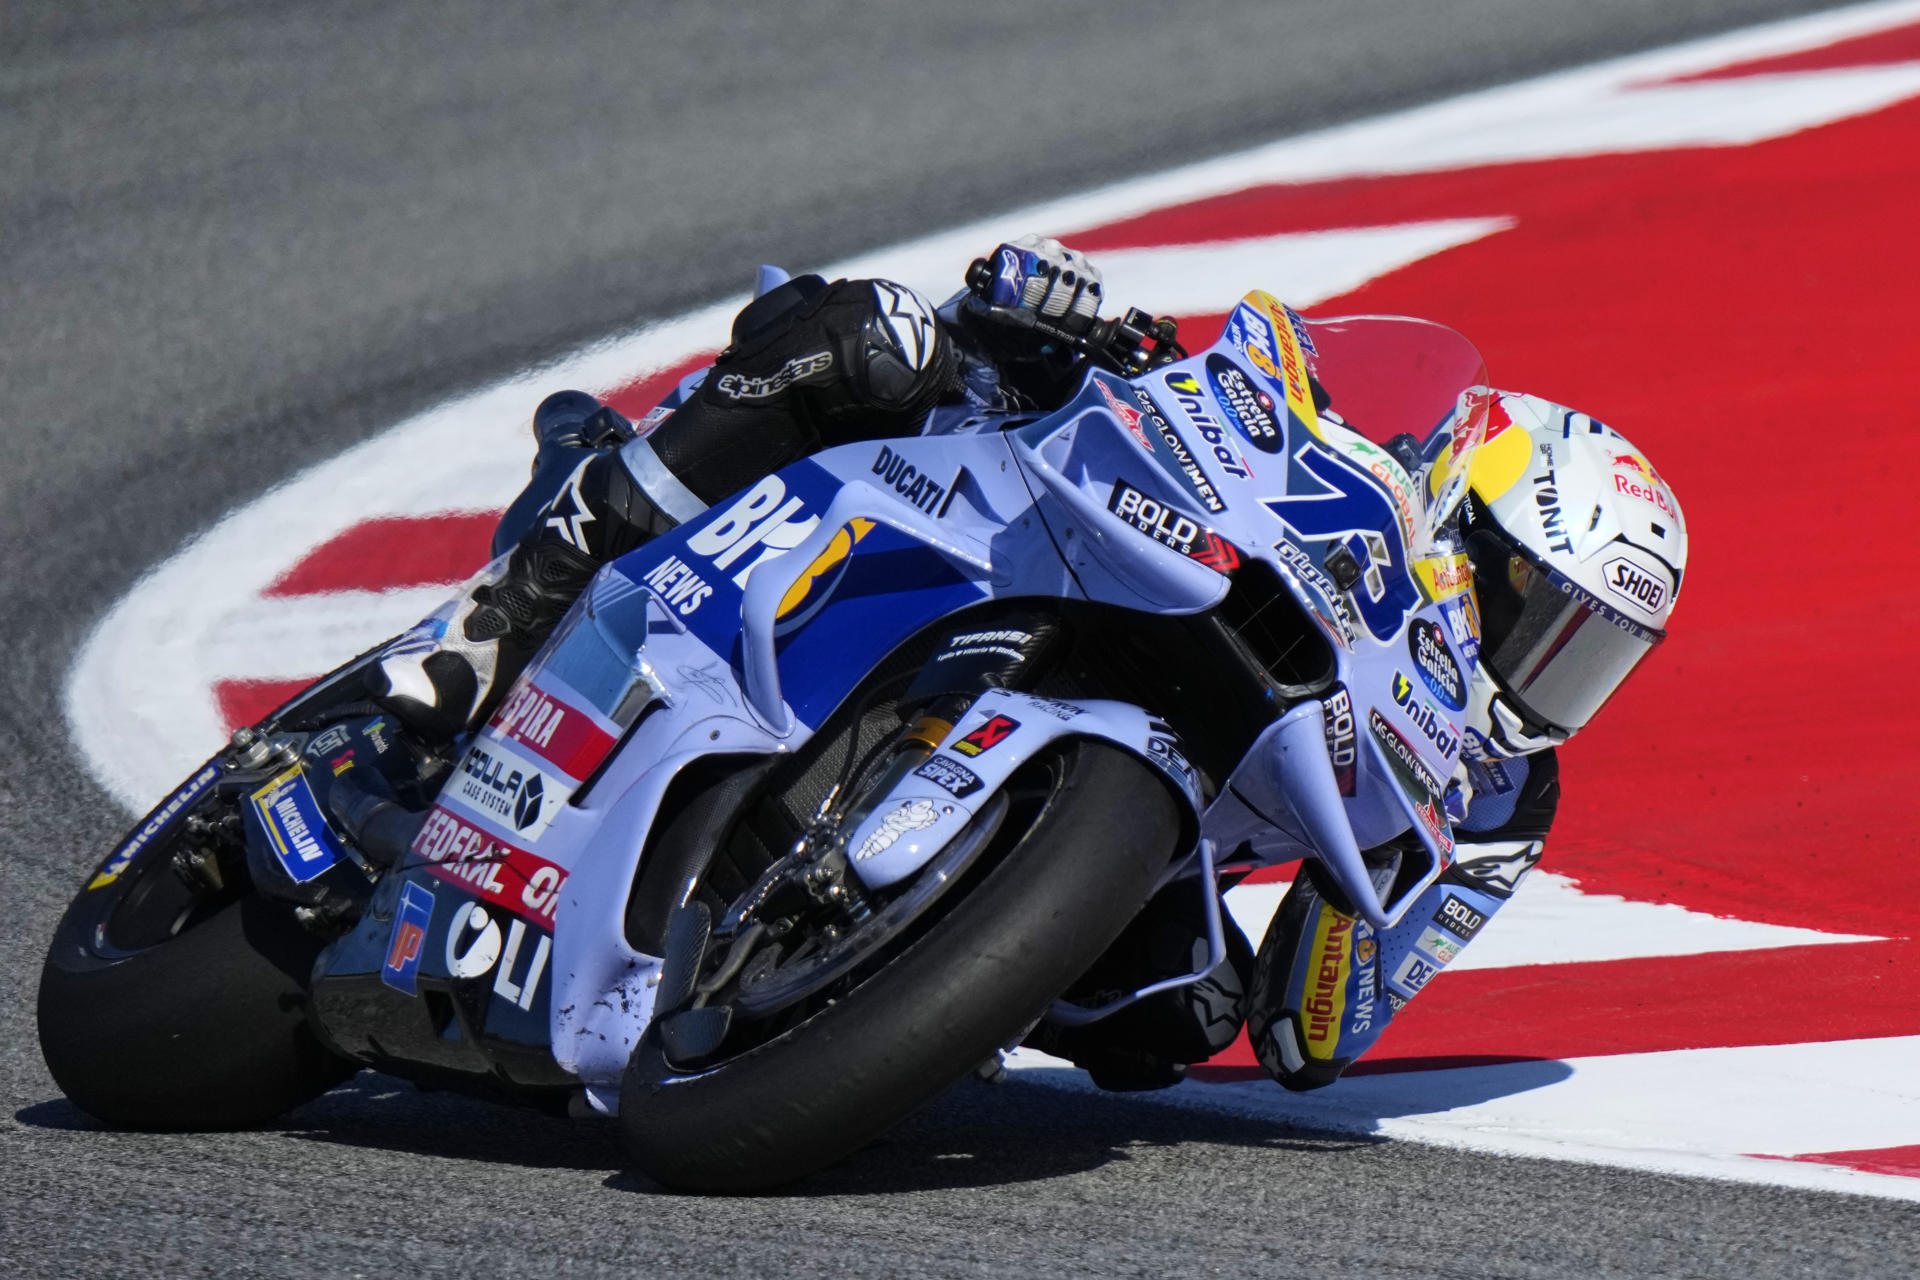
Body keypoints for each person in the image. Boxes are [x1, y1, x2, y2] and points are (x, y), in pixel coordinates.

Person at [370, 236, 1688, 1093]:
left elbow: (1317, 1029)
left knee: (1171, 1028)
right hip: (1036, 529)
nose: (1550, 675)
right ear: (1465, 517)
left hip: (1158, 839)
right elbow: (1225, 378)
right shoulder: (1353, 474)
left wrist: (1368, 897)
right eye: (1543, 618)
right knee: (869, 333)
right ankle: (497, 619)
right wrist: (1065, 318)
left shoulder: (1505, 793)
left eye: (1595, 658)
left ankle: (886, 978)